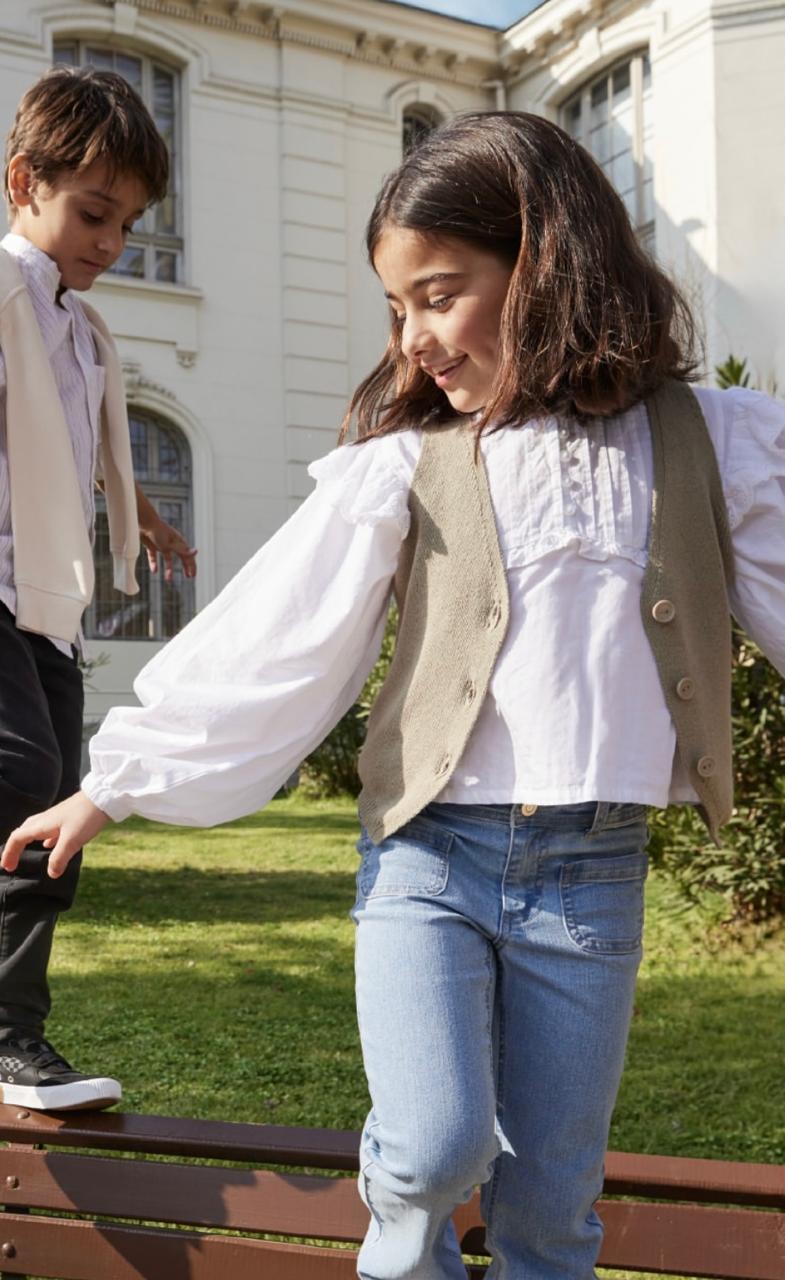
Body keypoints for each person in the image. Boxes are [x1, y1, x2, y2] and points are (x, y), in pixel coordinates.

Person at [3, 111, 785, 1274]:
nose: (411, 336)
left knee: (552, 1198)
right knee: (427, 1149)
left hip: (590, 868)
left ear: (546, 264)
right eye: (395, 308)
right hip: (427, 856)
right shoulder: (402, 464)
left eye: (437, 293)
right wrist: (114, 784)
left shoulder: (707, 439)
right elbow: (274, 634)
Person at [0, 66, 197, 1112]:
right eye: (91, 212)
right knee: (24, 789)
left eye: (126, 222)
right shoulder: (4, 289)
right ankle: (6, 1031)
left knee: (54, 809)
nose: (111, 243)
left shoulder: (83, 325)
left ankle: (14, 1033)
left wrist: (143, 513)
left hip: (46, 605)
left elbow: (77, 444)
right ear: (21, 180)